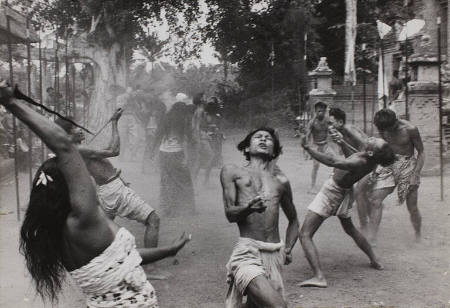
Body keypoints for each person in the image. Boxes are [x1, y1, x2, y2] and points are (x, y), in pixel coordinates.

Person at [0, 83, 190, 306]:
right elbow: (66, 147)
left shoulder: (58, 233)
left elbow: (121, 259)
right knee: (151, 218)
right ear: (68, 186)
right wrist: (11, 102)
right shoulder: (84, 219)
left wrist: (169, 250)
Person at [298, 133, 396, 288]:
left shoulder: (362, 160)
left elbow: (333, 162)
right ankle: (374, 259)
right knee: (351, 229)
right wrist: (342, 143)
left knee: (304, 234)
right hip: (344, 193)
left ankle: (319, 277)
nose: (370, 138)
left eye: (373, 141)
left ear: (371, 152)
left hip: (332, 193)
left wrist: (308, 148)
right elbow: (353, 157)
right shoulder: (369, 159)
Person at [220, 127, 299, 308]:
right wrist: (249, 208)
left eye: (268, 139)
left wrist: (288, 248)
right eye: (258, 137)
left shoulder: (281, 181)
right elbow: (229, 213)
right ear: (246, 148)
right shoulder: (232, 171)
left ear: (273, 151)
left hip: (274, 254)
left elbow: (293, 220)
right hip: (247, 252)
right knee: (278, 306)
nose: (263, 139)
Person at [357, 109, 424, 244]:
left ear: (395, 123)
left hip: (407, 165)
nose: (386, 132)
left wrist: (415, 175)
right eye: (383, 130)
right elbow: (381, 152)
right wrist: (375, 171)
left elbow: (421, 152)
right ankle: (372, 238)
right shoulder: (384, 128)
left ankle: (418, 233)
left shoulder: (410, 129)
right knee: (375, 200)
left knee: (412, 207)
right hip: (388, 163)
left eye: (389, 129)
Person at [151, 101, 195, 217]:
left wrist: (153, 153)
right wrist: (186, 158)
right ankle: (187, 208)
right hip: (177, 153)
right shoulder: (183, 120)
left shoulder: (166, 118)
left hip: (163, 153)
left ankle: (167, 209)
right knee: (185, 181)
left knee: (166, 182)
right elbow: (185, 140)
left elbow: (157, 136)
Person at [306, 101, 329, 193]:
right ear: (316, 112)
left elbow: (334, 131)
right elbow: (307, 135)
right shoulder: (312, 122)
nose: (321, 113)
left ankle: (335, 185)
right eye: (319, 111)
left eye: (322, 111)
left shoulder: (328, 121)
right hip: (316, 145)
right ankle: (312, 186)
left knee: (335, 162)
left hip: (325, 145)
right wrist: (307, 149)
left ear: (325, 111)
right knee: (316, 165)